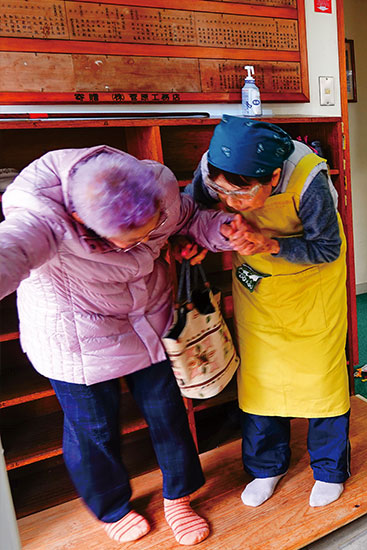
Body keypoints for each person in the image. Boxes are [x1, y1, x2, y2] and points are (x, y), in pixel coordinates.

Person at [0, 146, 238, 544]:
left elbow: (192, 218)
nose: (149, 241)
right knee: (92, 429)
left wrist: (221, 230)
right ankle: (111, 507)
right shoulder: (40, 216)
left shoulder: (156, 187)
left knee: (169, 415)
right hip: (74, 337)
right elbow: (12, 249)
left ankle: (179, 496)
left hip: (149, 318)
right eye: (133, 241)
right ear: (80, 221)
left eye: (153, 229)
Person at [186, 115, 350, 509]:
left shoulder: (309, 177)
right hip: (257, 287)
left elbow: (327, 247)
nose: (230, 202)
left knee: (320, 381)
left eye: (241, 196)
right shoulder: (214, 168)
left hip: (312, 285)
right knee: (260, 377)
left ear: (274, 177)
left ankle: (329, 469)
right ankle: (266, 466)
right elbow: (196, 212)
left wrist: (271, 244)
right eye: (222, 191)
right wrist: (209, 235)